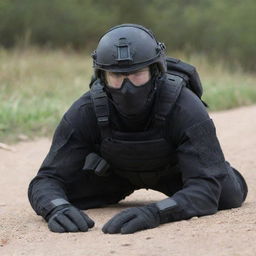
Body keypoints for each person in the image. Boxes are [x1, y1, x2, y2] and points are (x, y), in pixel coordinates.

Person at [28, 24, 248, 234]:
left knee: (227, 196)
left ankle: (218, 166)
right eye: (116, 76)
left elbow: (206, 190)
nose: (127, 87)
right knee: (66, 198)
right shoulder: (86, 110)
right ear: (102, 77)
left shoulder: (186, 107)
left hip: (176, 174)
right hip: (114, 175)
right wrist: (56, 208)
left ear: (156, 72)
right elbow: (46, 180)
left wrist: (156, 212)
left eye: (137, 74)